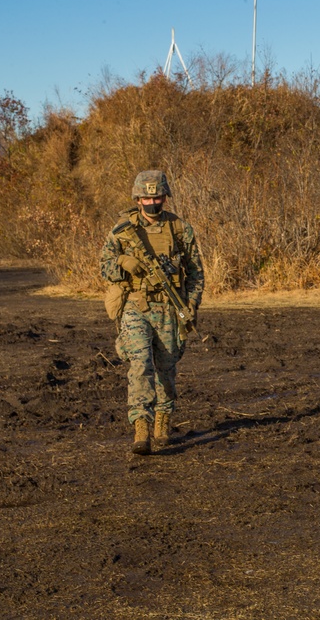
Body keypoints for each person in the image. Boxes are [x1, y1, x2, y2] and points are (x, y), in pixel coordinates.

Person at [100, 170, 205, 455]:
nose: (152, 202)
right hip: (136, 305)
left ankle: (162, 420)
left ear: (165, 197)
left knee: (166, 369)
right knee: (140, 362)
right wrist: (123, 262)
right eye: (146, 197)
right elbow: (104, 268)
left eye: (157, 196)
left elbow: (196, 274)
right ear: (137, 198)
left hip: (170, 309)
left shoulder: (180, 229)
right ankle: (141, 426)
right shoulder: (122, 231)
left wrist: (190, 306)